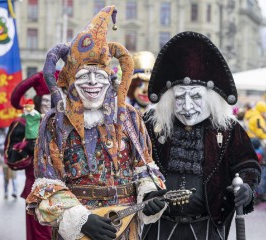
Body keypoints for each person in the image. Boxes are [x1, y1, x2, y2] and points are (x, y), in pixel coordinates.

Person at [26, 6, 166, 240]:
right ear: (70, 81)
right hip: (78, 232)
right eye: (83, 76)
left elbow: (144, 168)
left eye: (99, 76)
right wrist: (80, 219)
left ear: (109, 79)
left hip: (124, 225)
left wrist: (150, 194)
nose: (93, 82)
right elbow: (46, 183)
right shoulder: (54, 123)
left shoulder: (129, 117)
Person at [142, 31, 261, 239]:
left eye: (196, 97)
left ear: (211, 98)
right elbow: (136, 168)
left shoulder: (229, 129)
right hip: (159, 228)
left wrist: (246, 188)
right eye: (180, 98)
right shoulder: (152, 125)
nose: (187, 107)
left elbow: (247, 165)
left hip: (208, 229)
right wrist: (145, 196)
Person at [4, 71, 54, 239]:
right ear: (39, 101)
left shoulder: (65, 120)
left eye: (52, 100)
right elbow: (11, 157)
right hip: (37, 190)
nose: (48, 105)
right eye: (45, 101)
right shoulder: (24, 123)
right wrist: (28, 146)